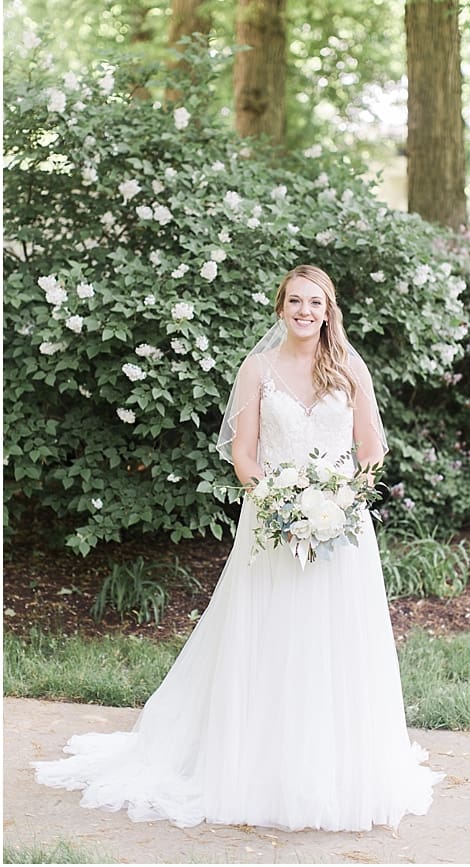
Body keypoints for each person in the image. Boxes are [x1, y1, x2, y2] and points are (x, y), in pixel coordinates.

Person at [34, 265, 441, 830]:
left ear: (329, 310)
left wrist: (339, 501)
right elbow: (243, 453)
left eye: (315, 302)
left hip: (340, 525)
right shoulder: (258, 368)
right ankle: (255, 765)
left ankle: (334, 769)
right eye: (294, 301)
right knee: (269, 635)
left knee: (334, 639)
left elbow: (370, 449)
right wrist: (279, 502)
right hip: (270, 521)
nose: (304, 310)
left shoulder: (349, 366)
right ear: (281, 308)